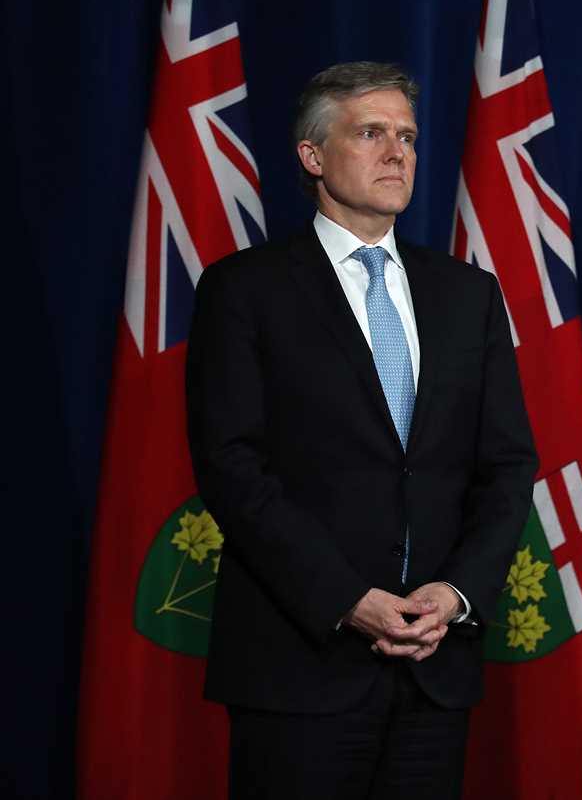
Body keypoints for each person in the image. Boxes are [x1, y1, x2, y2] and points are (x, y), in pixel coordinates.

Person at [186, 61, 538, 799]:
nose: (396, 153)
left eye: (406, 136)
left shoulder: (466, 295)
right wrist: (348, 596)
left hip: (434, 672)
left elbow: (506, 465)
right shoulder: (245, 290)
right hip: (300, 667)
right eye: (370, 133)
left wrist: (456, 592)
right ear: (313, 156)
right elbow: (231, 467)